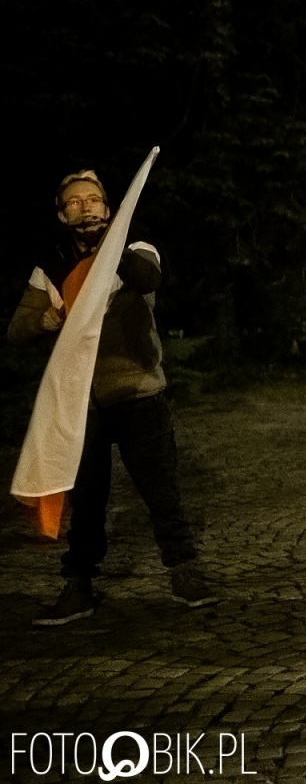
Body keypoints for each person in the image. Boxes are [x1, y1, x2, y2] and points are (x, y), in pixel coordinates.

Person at [8, 169, 216, 625]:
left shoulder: (135, 247)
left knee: (162, 492)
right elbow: (17, 328)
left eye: (93, 200)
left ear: (108, 208)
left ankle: (185, 574)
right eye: (75, 202)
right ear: (62, 214)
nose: (85, 207)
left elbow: (148, 278)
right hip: (82, 402)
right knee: (88, 501)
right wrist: (43, 321)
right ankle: (79, 587)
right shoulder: (52, 266)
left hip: (139, 391)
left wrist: (112, 249)